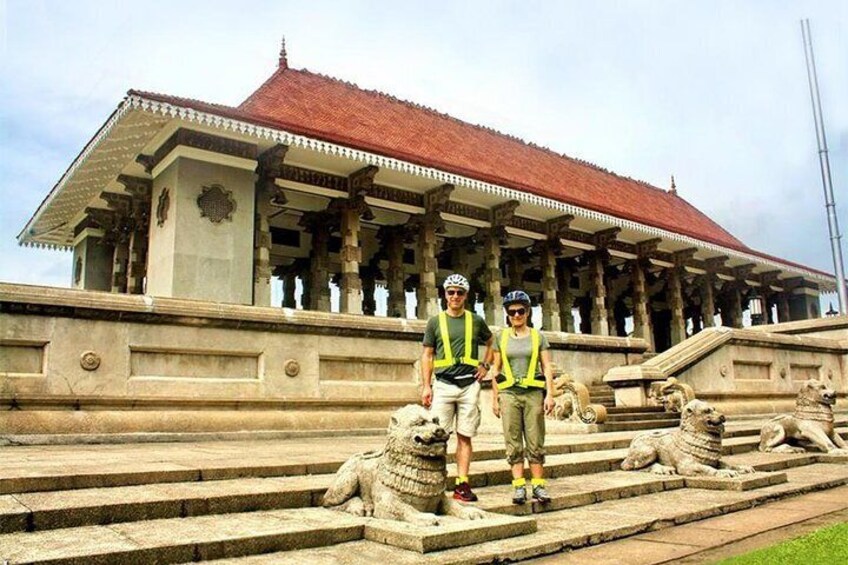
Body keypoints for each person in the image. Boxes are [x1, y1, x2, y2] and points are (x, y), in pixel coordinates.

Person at [421, 273, 493, 502]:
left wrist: (485, 365)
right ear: (445, 294)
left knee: (465, 435)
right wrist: (426, 386)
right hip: (443, 385)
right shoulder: (435, 322)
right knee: (437, 437)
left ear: (466, 296)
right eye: (450, 292)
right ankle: (434, 482)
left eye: (459, 293)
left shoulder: (476, 320)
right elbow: (427, 355)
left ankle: (462, 484)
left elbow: (493, 342)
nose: (455, 296)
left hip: (469, 385)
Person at [491, 290, 555, 504]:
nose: (516, 315)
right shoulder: (501, 337)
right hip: (508, 393)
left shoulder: (538, 337)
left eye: (520, 311)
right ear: (507, 314)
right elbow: (496, 368)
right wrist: (494, 398)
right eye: (512, 312)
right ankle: (518, 487)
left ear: (527, 312)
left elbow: (546, 366)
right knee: (513, 439)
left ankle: (538, 485)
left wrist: (550, 395)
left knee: (535, 439)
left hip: (533, 394)